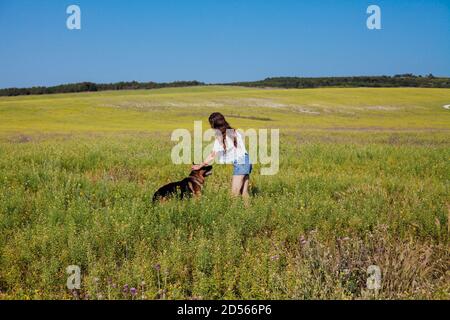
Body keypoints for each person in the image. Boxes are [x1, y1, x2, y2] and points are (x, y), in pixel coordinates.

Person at [191, 112, 252, 198]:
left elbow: (212, 155)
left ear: (214, 125)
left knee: (233, 195)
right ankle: (248, 211)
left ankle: (232, 211)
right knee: (244, 193)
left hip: (240, 164)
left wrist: (199, 166)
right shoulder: (234, 132)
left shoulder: (221, 137)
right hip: (247, 161)